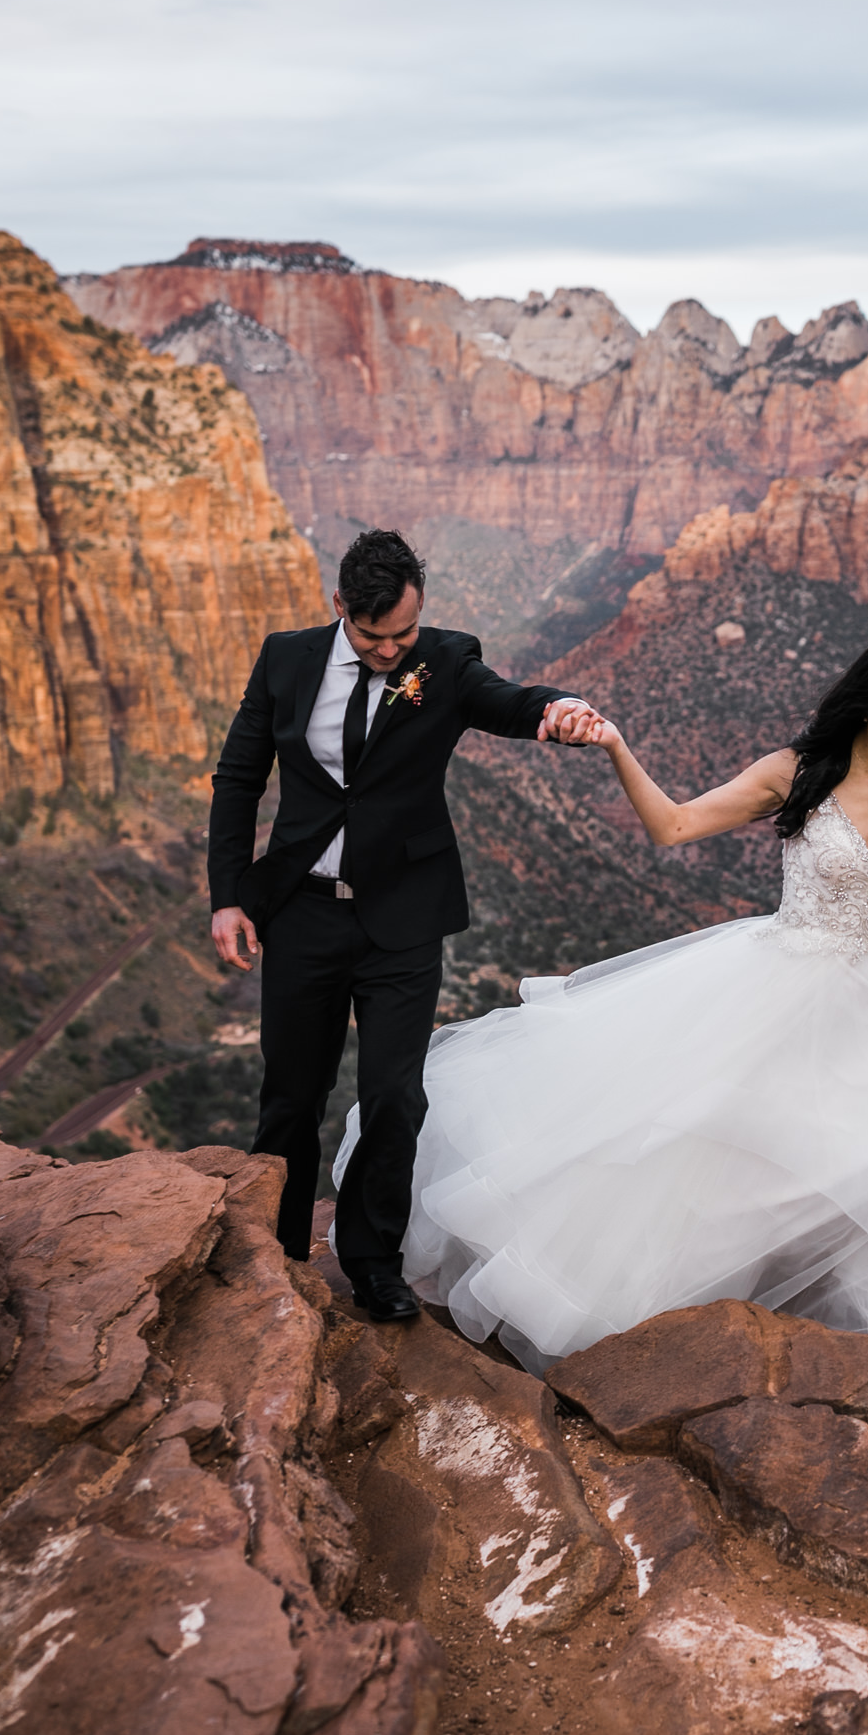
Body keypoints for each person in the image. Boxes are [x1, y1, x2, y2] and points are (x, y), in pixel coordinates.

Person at [342, 634, 868, 1367]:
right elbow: (672, 825)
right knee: (718, 1148)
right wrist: (617, 746)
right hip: (782, 983)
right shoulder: (795, 772)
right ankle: (656, 1287)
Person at [207, 527, 601, 1319]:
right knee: (290, 1094)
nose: (391, 651)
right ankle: (274, 1251)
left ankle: (373, 1263)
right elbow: (239, 777)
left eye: (404, 635)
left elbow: (506, 700)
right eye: (373, 636)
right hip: (303, 913)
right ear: (339, 608)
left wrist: (554, 710)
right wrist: (228, 896)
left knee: (393, 1096)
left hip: (402, 920)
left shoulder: (445, 661)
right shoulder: (285, 659)